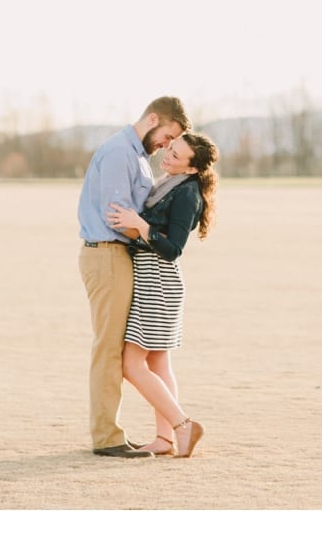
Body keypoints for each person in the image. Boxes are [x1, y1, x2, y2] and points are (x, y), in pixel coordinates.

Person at [76, 96, 189, 458]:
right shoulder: (119, 153)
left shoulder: (138, 157)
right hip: (107, 254)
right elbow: (117, 218)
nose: (166, 145)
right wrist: (154, 234)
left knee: (127, 351)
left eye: (172, 143)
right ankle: (107, 437)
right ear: (153, 119)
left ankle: (159, 433)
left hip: (122, 258)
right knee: (109, 350)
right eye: (167, 135)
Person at [105, 131, 219, 457]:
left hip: (158, 281)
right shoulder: (170, 183)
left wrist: (138, 225)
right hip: (151, 278)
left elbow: (172, 249)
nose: (167, 154)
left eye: (176, 155)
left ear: (192, 169)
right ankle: (166, 439)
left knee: (132, 364)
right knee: (158, 362)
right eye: (170, 148)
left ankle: (183, 425)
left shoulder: (187, 194)